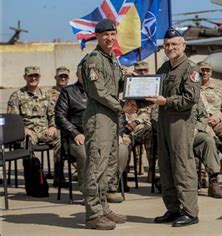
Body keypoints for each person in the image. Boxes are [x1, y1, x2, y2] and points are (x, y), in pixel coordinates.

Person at [147, 28, 200, 227]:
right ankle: (173, 209)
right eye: (167, 44)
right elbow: (153, 92)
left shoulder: (190, 69)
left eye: (174, 44)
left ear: (183, 46)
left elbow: (190, 98)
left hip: (180, 123)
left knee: (182, 166)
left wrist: (166, 101)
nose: (170, 48)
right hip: (163, 122)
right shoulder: (164, 69)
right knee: (166, 166)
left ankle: (190, 212)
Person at [55, 62, 129, 203]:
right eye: (82, 72)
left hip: (105, 134)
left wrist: (118, 133)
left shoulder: (104, 89)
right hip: (79, 136)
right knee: (84, 153)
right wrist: (75, 133)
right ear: (77, 74)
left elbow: (119, 113)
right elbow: (60, 116)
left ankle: (109, 188)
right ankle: (89, 192)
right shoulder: (68, 92)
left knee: (122, 150)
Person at [80, 19, 127, 230]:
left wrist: (133, 81)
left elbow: (120, 81)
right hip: (99, 119)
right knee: (96, 167)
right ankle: (93, 214)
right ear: (97, 37)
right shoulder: (94, 60)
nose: (109, 38)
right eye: (105, 35)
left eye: (112, 34)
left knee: (109, 165)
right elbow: (98, 91)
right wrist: (121, 107)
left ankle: (104, 207)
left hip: (111, 119)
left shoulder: (112, 59)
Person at [7, 66, 62, 186]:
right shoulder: (17, 95)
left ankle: (59, 177)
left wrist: (52, 127)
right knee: (27, 143)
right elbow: (13, 119)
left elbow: (53, 114)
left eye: (36, 76)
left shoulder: (46, 94)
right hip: (28, 131)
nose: (33, 78)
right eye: (30, 76)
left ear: (39, 77)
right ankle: (33, 181)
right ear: (25, 77)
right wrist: (23, 130)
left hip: (44, 130)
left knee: (61, 138)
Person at [198, 61, 222, 175]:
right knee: (208, 137)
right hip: (201, 123)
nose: (205, 73)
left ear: (211, 73)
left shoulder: (218, 90)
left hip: (217, 121)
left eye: (207, 70)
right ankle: (214, 161)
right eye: (202, 70)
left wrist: (219, 117)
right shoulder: (192, 89)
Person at [122, 61, 155, 183]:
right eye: (139, 70)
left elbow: (152, 111)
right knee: (124, 139)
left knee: (150, 133)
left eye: (145, 70)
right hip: (124, 125)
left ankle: (151, 171)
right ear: (134, 71)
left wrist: (137, 121)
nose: (142, 73)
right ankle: (123, 175)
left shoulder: (153, 88)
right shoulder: (126, 86)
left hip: (142, 125)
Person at [193, 96, 222, 199]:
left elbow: (203, 115)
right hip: (174, 134)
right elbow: (155, 117)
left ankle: (213, 181)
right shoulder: (165, 94)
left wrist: (197, 128)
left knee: (208, 141)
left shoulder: (194, 95)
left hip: (193, 132)